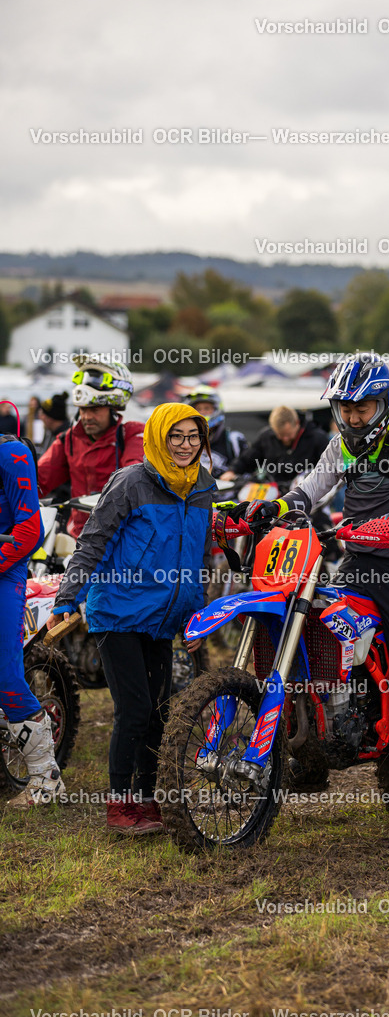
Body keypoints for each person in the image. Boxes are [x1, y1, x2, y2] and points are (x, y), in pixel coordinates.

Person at [242, 353, 389, 829]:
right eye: (346, 408)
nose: (353, 417)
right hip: (354, 561)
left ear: (385, 403)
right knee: (316, 629)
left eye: (363, 408)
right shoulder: (341, 445)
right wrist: (276, 508)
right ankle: (317, 740)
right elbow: (311, 488)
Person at [46, 403, 216, 835]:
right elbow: (93, 540)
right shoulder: (131, 482)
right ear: (158, 437)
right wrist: (67, 596)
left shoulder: (202, 486)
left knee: (158, 712)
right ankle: (119, 807)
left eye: (193, 436)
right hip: (119, 612)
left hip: (163, 618)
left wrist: (198, 614)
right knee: (135, 710)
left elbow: (199, 557)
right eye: (176, 436)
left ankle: (146, 799)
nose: (185, 445)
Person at [0, 424, 65, 809]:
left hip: (5, 572)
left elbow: (29, 530)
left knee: (5, 675)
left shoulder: (11, 453)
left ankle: (46, 777)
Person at [38, 357, 144, 537]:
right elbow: (38, 480)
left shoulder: (132, 435)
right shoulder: (69, 439)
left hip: (122, 535)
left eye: (94, 409)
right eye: (83, 409)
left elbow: (133, 479)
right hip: (78, 535)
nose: (87, 417)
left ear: (113, 409)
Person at [224, 405, 329, 490]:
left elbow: (328, 468)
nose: (285, 439)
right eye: (280, 435)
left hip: (308, 494)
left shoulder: (317, 438)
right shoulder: (267, 437)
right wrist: (232, 471)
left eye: (288, 434)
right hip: (273, 492)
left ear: (297, 423)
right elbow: (248, 458)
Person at [183, 385, 247, 477]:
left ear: (216, 409)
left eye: (207, 408)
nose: (202, 412)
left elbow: (248, 470)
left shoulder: (233, 440)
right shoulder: (181, 440)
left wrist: (232, 474)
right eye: (198, 409)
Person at [36, 392, 70, 456]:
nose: (40, 417)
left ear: (51, 417)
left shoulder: (66, 438)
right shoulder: (51, 433)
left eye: (43, 414)